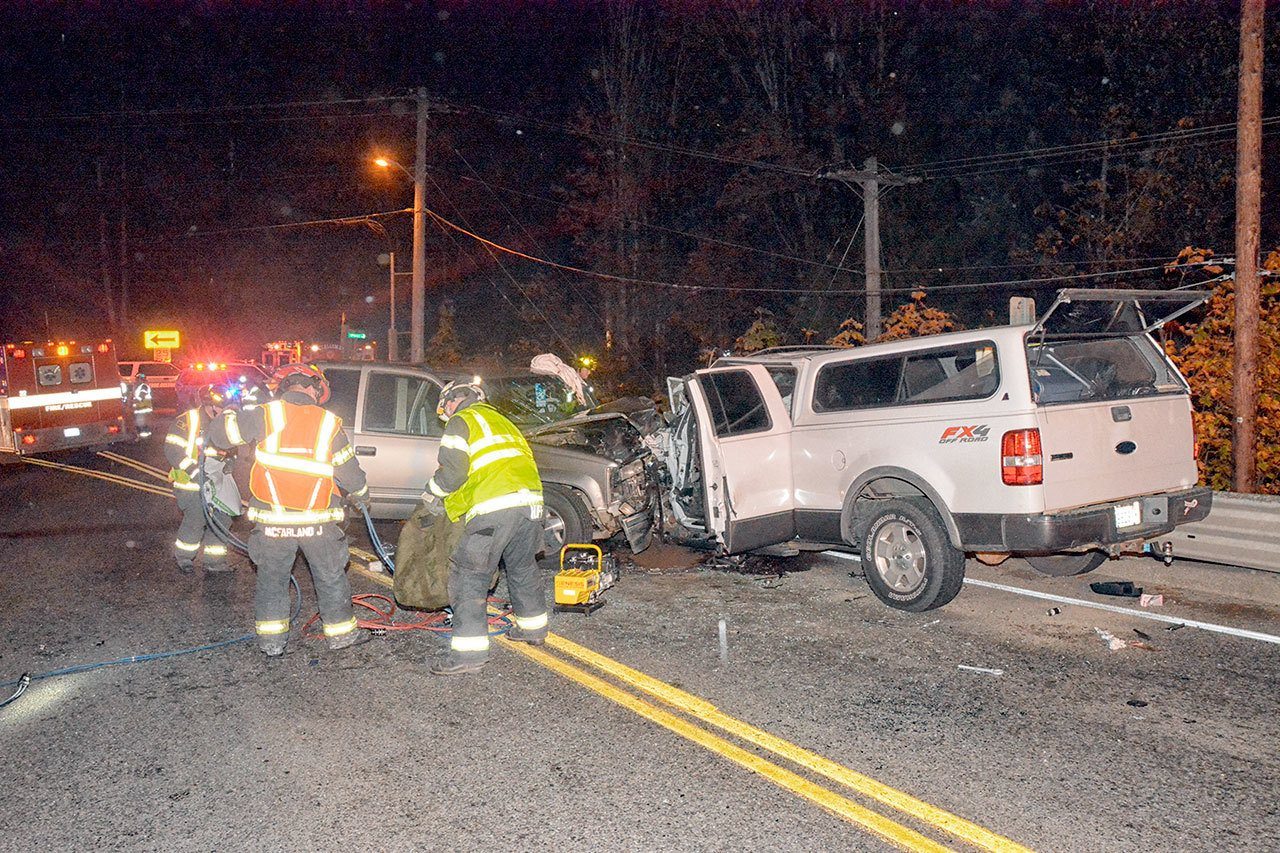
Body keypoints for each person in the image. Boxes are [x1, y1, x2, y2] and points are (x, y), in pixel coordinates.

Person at [207, 363, 371, 657]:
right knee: (331, 576)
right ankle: (341, 635)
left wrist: (229, 411)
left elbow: (219, 437)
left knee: (272, 579)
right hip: (318, 522)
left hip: (273, 523)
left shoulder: (265, 414)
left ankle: (272, 643)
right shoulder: (328, 422)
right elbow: (349, 472)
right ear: (312, 387)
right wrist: (362, 494)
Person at [419, 378, 549, 675]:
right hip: (531, 505)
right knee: (523, 567)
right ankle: (533, 629)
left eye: (446, 406)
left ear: (453, 400)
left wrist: (431, 493)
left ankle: (469, 656)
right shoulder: (504, 421)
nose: (446, 412)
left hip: (494, 507)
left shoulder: (461, 421)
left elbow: (452, 474)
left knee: (469, 577)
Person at [163, 384, 232, 574]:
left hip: (215, 482)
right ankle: (184, 557)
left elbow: (228, 451)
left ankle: (214, 561)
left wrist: (229, 464)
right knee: (196, 518)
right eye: (221, 407)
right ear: (209, 405)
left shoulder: (224, 422)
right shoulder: (187, 421)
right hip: (190, 483)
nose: (223, 412)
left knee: (223, 517)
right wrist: (194, 471)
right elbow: (172, 449)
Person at [130, 372, 154, 439]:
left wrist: (133, 400)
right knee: (140, 422)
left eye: (137, 379)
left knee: (141, 423)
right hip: (140, 408)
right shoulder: (139, 386)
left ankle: (144, 437)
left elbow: (142, 396)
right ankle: (143, 435)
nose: (136, 380)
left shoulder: (143, 386)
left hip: (143, 408)